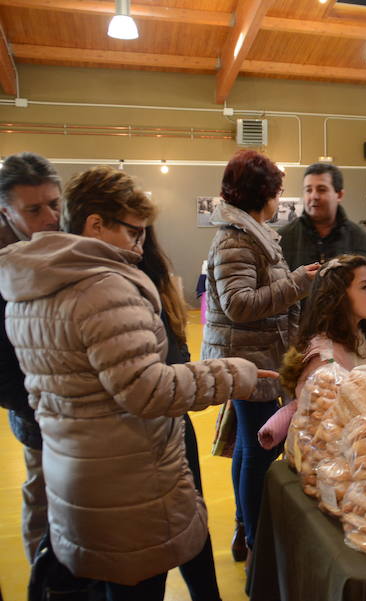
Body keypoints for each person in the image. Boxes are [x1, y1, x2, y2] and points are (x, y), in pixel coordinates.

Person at [0, 165, 266, 598]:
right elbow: (148, 390)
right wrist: (234, 372)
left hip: (75, 476)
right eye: (132, 232)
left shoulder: (27, 285)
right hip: (127, 483)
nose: (140, 245)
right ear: (95, 224)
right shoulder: (103, 287)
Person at [201, 149, 317, 566]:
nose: (279, 199)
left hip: (256, 356)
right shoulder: (236, 239)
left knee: (250, 447)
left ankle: (244, 530)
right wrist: (298, 284)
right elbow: (239, 305)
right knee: (260, 451)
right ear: (261, 193)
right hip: (248, 361)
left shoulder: (254, 234)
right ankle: (255, 542)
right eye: (277, 192)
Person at [138, 226, 222, 601]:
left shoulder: (154, 281)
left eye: (139, 232)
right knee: (145, 547)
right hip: (130, 441)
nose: (133, 241)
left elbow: (177, 361)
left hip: (172, 426)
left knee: (192, 523)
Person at [0, 152, 60, 564]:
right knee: (42, 505)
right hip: (35, 413)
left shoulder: (64, 239)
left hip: (78, 413)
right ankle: (47, 586)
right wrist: (40, 403)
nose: (50, 217)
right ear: (6, 211)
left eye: (55, 204)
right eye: (34, 210)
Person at [257, 254, 366, 450]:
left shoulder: (360, 336)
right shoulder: (324, 359)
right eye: (364, 287)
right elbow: (325, 427)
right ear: (340, 296)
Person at [278, 162, 366, 270]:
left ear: (339, 195)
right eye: (308, 190)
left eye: (321, 189)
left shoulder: (361, 240)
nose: (314, 196)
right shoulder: (283, 239)